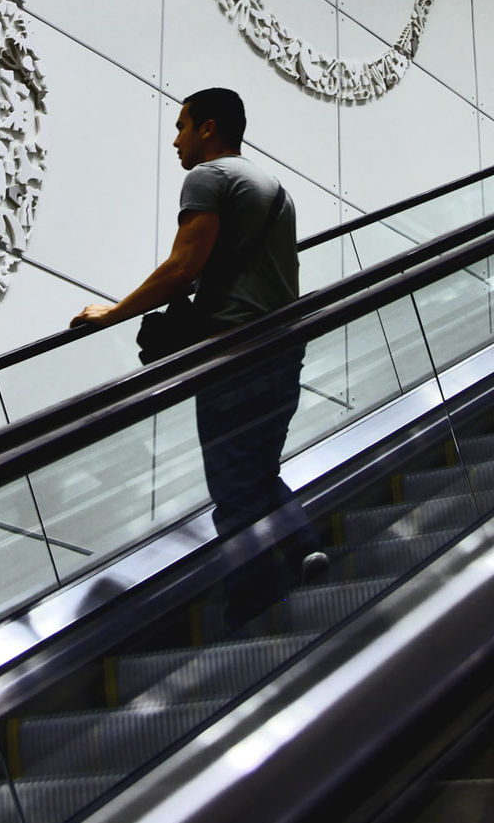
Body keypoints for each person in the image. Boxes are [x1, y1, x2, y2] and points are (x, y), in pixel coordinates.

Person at [72, 87, 328, 625]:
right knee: (254, 468)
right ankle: (304, 545)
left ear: (208, 129)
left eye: (182, 126)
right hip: (283, 347)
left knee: (233, 486)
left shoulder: (208, 178)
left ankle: (256, 605)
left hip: (235, 354)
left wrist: (114, 313)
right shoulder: (272, 185)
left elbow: (182, 268)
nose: (175, 140)